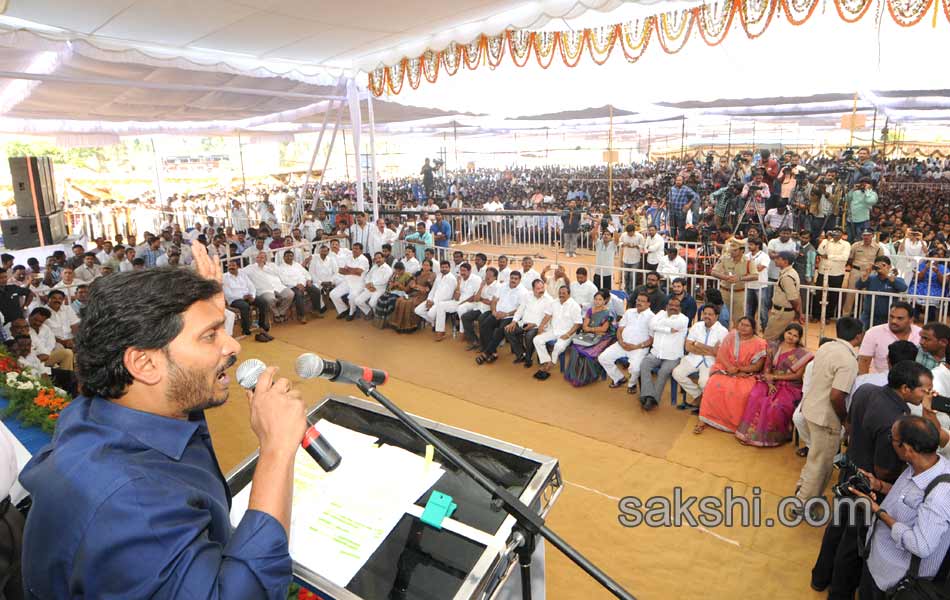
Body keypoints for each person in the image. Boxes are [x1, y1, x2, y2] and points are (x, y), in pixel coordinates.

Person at [21, 247, 304, 599]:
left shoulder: (100, 410)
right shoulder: (134, 506)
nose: (233, 346)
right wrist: (276, 451)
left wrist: (207, 310)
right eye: (210, 335)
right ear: (144, 364)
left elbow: (179, 382)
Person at [812, 361, 935, 599]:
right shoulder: (896, 421)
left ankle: (820, 577)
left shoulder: (867, 390)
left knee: (836, 529)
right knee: (854, 544)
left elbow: (849, 425)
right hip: (868, 486)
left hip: (850, 473)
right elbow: (883, 469)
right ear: (905, 388)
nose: (927, 394)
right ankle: (839, 593)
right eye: (924, 389)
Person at [852, 416, 950, 599]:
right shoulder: (918, 465)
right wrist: (878, 485)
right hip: (876, 560)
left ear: (907, 449)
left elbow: (921, 546)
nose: (891, 443)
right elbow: (906, 497)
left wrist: (878, 511)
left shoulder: (941, 495)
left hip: (895, 579)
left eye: (893, 439)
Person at [795, 317, 864, 504]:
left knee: (815, 458)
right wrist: (845, 420)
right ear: (858, 336)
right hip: (826, 417)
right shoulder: (848, 360)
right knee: (821, 465)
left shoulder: (826, 347)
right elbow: (836, 395)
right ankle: (804, 503)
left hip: (811, 409)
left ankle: (802, 489)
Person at [734, 323, 813, 446]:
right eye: (789, 333)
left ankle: (771, 438)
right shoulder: (773, 346)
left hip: (790, 386)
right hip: (768, 381)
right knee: (755, 396)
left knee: (773, 405)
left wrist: (775, 377)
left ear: (799, 338)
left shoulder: (801, 354)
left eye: (795, 336)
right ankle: (747, 435)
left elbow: (797, 376)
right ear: (784, 332)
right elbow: (767, 367)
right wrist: (770, 383)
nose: (791, 337)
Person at [695, 317, 769, 434]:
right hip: (726, 369)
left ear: (753, 328)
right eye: (741, 324)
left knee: (741, 392)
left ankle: (733, 424)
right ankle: (706, 419)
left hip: (747, 374)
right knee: (713, 385)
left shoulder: (759, 343)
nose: (743, 327)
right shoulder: (731, 336)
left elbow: (757, 367)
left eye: (747, 325)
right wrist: (730, 368)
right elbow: (721, 354)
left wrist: (739, 370)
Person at [673, 304, 729, 411]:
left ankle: (708, 406)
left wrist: (698, 345)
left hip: (711, 362)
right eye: (705, 314)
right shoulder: (697, 326)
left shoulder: (723, 331)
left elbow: (719, 354)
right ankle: (698, 396)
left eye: (710, 314)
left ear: (716, 316)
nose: (707, 316)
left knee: (703, 382)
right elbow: (688, 347)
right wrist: (711, 350)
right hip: (693, 358)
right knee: (677, 373)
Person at [638, 296, 689, 411]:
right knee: (644, 365)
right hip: (656, 353)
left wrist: (659, 324)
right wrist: (667, 329)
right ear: (667, 306)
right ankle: (647, 394)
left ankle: (652, 399)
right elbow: (651, 325)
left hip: (673, 356)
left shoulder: (684, 319)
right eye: (671, 305)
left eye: (676, 306)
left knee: (663, 372)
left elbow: (674, 325)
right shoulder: (661, 313)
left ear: (680, 308)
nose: (673, 307)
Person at [599, 292, 654, 392]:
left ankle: (632, 384)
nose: (639, 303)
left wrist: (636, 346)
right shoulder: (629, 312)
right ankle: (619, 378)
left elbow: (651, 339)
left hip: (639, 348)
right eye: (638, 300)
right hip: (622, 344)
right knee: (603, 358)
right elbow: (620, 329)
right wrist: (620, 341)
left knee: (636, 368)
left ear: (648, 304)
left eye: (642, 301)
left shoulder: (652, 317)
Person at [562, 291, 616, 387]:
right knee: (575, 348)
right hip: (589, 335)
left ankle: (588, 377)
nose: (597, 301)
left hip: (604, 337)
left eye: (600, 299)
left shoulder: (608, 313)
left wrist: (591, 329)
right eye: (595, 299)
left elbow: (604, 329)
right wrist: (594, 330)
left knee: (588, 352)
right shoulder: (590, 310)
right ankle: (574, 376)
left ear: (605, 301)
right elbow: (584, 326)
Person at [532, 285, 582, 380]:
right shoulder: (554, 302)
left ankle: (552, 363)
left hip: (568, 332)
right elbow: (547, 316)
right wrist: (541, 327)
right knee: (537, 339)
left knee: (558, 346)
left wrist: (567, 334)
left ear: (569, 294)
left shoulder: (574, 306)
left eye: (564, 293)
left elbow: (578, 324)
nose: (561, 295)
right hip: (554, 330)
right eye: (560, 293)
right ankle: (546, 360)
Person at [476, 271, 526, 365]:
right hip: (497, 313)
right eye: (512, 278)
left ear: (520, 280)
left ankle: (486, 353)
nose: (513, 280)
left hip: (510, 316)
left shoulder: (523, 292)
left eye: (516, 279)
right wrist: (494, 311)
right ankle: (493, 352)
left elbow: (520, 309)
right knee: (485, 325)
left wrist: (506, 314)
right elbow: (494, 300)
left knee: (500, 330)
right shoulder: (502, 286)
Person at [858, 302, 921, 374]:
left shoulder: (920, 334)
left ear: (911, 320)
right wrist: (863, 381)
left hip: (913, 382)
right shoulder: (873, 332)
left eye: (899, 318)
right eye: (891, 317)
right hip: (880, 382)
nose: (894, 321)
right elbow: (864, 361)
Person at [505, 279, 552, 368]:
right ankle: (521, 354)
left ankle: (528, 358)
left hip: (538, 326)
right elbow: (520, 309)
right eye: (538, 289)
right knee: (508, 330)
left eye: (542, 288)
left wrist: (534, 324)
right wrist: (514, 321)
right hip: (524, 323)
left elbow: (547, 317)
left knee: (529, 336)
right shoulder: (527, 296)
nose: (541, 290)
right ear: (533, 289)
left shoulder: (548, 299)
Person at [223, 259, 271, 342]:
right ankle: (245, 329)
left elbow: (251, 286)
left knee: (263, 302)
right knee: (245, 306)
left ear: (238, 267)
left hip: (248, 296)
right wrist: (243, 297)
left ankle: (262, 324)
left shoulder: (243, 274)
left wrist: (252, 295)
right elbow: (228, 293)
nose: (231, 267)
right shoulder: (224, 277)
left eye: (233, 265)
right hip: (235, 299)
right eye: (229, 266)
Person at [711, 239, 755, 327]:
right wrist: (726, 278)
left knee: (738, 319)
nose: (732, 252)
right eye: (731, 250)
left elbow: (755, 275)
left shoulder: (748, 261)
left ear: (742, 250)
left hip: (740, 293)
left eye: (735, 250)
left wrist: (740, 278)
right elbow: (713, 272)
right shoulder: (724, 258)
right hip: (724, 292)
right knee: (721, 317)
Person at [855, 256, 907, 328]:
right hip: (868, 315)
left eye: (883, 265)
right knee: (860, 332)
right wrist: (865, 274)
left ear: (889, 267)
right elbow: (858, 286)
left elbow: (903, 288)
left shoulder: (896, 279)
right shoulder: (871, 278)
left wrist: (888, 275)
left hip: (888, 317)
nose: (880, 267)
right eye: (877, 265)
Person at [243, 252, 294, 326]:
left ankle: (281, 312)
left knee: (290, 294)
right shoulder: (250, 268)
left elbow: (279, 273)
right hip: (264, 289)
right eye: (258, 257)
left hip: (277, 286)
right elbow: (240, 273)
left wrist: (264, 267)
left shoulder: (272, 266)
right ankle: (276, 314)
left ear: (266, 259)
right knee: (270, 299)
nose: (259, 259)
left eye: (262, 258)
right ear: (256, 259)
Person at [762, 251, 804, 340]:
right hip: (784, 312)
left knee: (769, 338)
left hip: (781, 313)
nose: (775, 260)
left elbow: (794, 298)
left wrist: (797, 311)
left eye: (778, 259)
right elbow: (797, 294)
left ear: (785, 261)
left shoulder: (786, 277)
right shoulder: (792, 272)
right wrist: (799, 312)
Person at [389, 259, 437, 333]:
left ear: (430, 267)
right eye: (424, 265)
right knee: (400, 300)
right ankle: (400, 325)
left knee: (409, 303)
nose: (425, 267)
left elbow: (426, 289)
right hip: (413, 293)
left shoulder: (432, 275)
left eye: (427, 265)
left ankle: (410, 326)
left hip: (424, 295)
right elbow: (411, 283)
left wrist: (416, 286)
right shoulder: (418, 273)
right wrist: (413, 285)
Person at [813, 227, 850, 320]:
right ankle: (816, 315)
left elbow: (844, 257)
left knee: (834, 295)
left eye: (839, 232)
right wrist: (827, 242)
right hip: (823, 271)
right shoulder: (826, 241)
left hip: (837, 273)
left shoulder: (846, 244)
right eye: (834, 231)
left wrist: (829, 256)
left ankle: (828, 316)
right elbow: (820, 252)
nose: (836, 233)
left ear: (842, 234)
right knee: (818, 293)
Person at [276, 250, 321, 324]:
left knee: (316, 291)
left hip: (303, 283)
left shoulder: (297, 264)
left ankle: (316, 310)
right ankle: (301, 316)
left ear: (293, 257)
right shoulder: (280, 268)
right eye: (287, 256)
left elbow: (305, 273)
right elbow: (284, 280)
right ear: (283, 258)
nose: (289, 258)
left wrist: (308, 280)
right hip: (292, 286)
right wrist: (296, 284)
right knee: (299, 294)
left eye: (291, 256)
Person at [415, 260, 458, 336]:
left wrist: (433, 303)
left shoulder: (452, 279)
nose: (444, 269)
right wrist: (429, 299)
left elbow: (448, 296)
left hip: (442, 302)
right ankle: (434, 322)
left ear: (449, 268)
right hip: (432, 300)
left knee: (431, 314)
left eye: (446, 267)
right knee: (417, 310)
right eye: (442, 267)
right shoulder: (438, 275)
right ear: (440, 268)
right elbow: (433, 289)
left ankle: (437, 325)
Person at [329, 242, 369, 320]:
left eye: (357, 249)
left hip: (358, 283)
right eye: (353, 248)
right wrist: (353, 271)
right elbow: (340, 270)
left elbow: (359, 272)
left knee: (352, 297)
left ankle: (351, 313)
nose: (354, 250)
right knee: (333, 294)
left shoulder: (364, 259)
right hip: (347, 281)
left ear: (361, 251)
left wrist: (348, 270)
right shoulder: (348, 257)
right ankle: (343, 310)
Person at [353, 252, 394, 320]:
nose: (377, 260)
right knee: (357, 301)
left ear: (384, 258)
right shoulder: (374, 266)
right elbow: (368, 276)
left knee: (372, 303)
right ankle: (368, 312)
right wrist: (368, 283)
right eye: (376, 259)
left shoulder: (388, 269)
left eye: (379, 258)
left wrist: (372, 283)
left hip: (380, 289)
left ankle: (377, 316)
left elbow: (384, 280)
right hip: (370, 287)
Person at [744, 238, 771, 331]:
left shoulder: (764, 256)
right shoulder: (746, 256)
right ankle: (750, 328)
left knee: (763, 310)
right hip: (749, 285)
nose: (749, 246)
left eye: (751, 244)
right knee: (748, 310)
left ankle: (765, 329)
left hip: (761, 286)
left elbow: (759, 269)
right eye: (749, 244)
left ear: (757, 246)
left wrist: (749, 269)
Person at [619, 223, 643, 292]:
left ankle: (632, 290)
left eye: (630, 233)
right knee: (626, 275)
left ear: (633, 231)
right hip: (626, 258)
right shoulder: (624, 235)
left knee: (633, 276)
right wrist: (624, 244)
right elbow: (619, 242)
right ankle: (627, 289)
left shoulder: (639, 236)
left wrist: (636, 246)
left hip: (635, 259)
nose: (629, 234)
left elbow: (643, 246)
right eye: (628, 233)